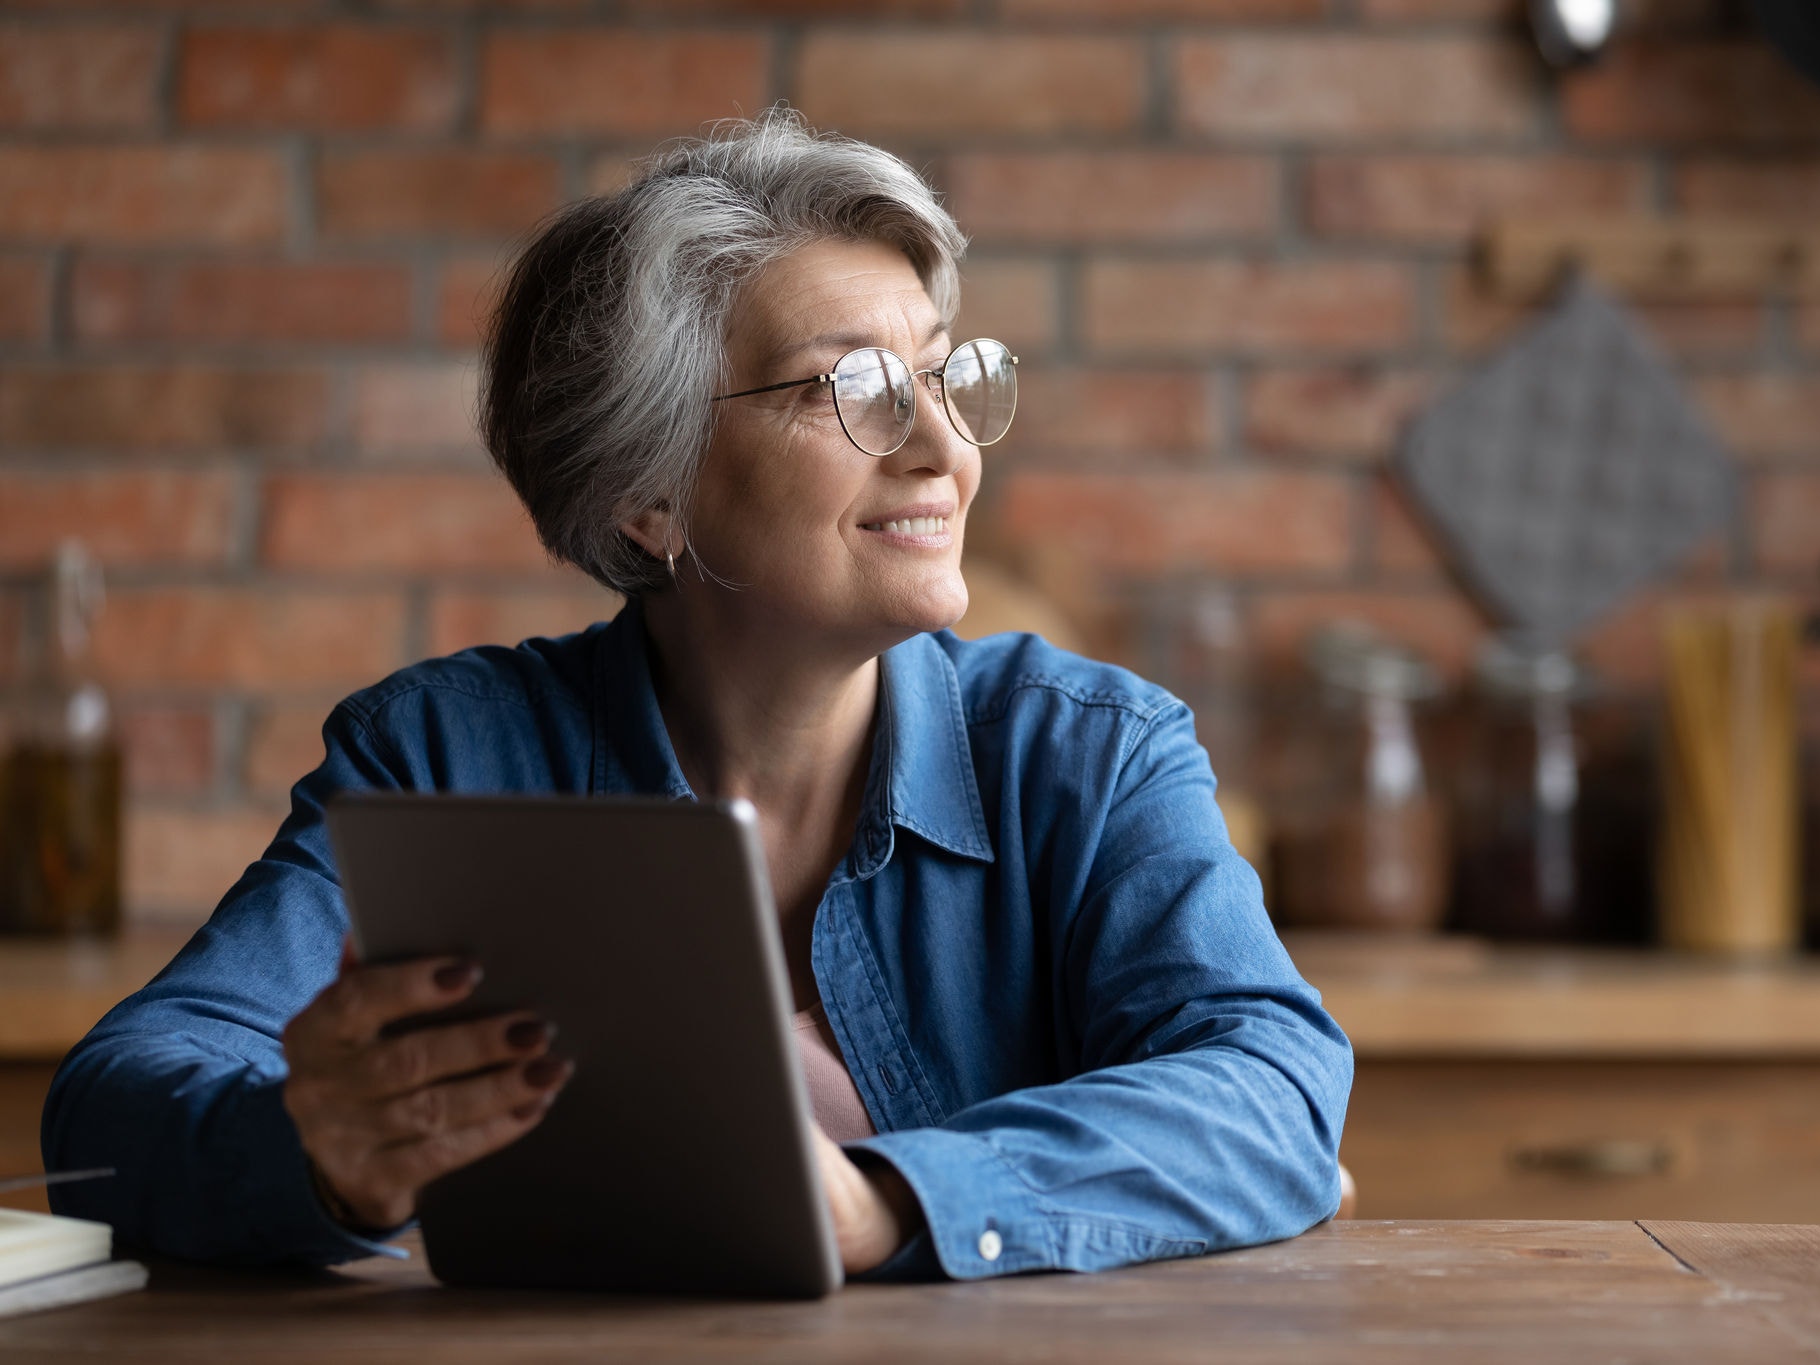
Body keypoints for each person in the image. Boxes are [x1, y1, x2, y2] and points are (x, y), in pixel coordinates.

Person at [43, 109, 1352, 1281]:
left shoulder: (1092, 753)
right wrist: (322, 1154)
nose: (944, 449)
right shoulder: (440, 754)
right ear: (650, 495)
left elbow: (1275, 1086)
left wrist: (888, 1202)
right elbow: (109, 1110)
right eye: (855, 389)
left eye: (944, 374)